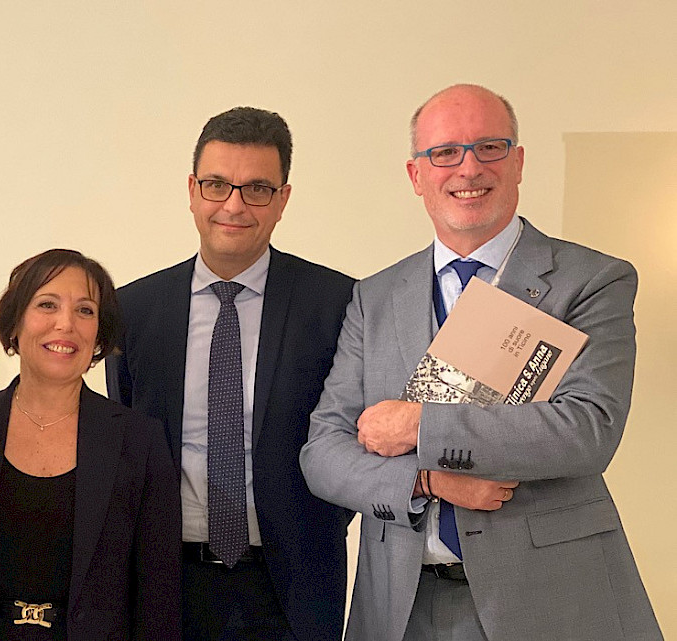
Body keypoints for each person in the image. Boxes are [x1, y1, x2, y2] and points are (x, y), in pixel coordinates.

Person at [299, 84, 663, 641]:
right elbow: (323, 453)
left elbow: (588, 430)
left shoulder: (592, 281)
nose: (468, 168)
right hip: (402, 607)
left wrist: (420, 425)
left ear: (518, 162)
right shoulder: (374, 297)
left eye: (489, 147)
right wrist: (428, 480)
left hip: (552, 602)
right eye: (445, 152)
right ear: (416, 175)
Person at [107, 107, 355, 641]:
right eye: (217, 185)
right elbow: (128, 434)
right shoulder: (134, 310)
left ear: (283, 199)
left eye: (257, 189)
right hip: (166, 583)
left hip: (293, 587)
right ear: (192, 191)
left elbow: (349, 440)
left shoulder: (337, 304)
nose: (234, 205)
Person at [0, 249, 179, 640]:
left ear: (99, 335)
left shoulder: (139, 440)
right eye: (47, 305)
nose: (66, 324)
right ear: (14, 323)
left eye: (85, 310)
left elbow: (158, 596)